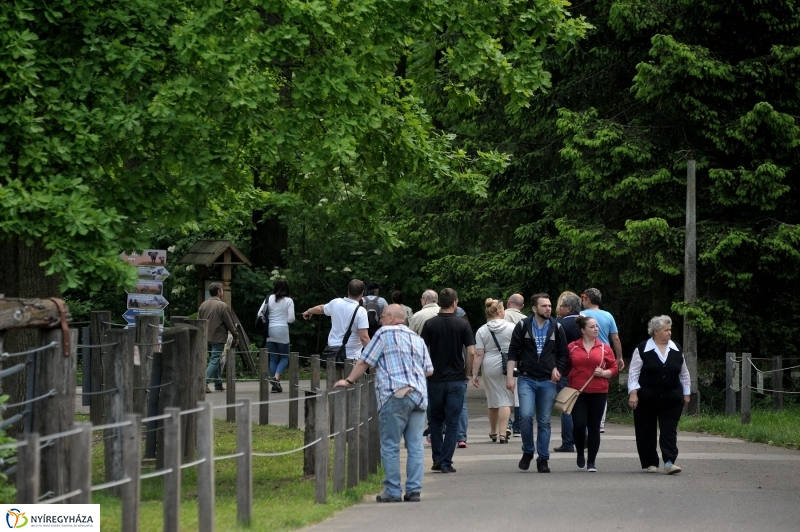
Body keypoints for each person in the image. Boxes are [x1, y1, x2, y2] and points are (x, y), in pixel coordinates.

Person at [334, 304, 434, 502]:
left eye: (381, 317)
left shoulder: (383, 333)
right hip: (419, 396)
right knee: (415, 445)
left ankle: (393, 491)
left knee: (390, 444)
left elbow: (364, 361)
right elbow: (429, 370)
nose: (379, 321)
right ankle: (414, 490)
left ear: (390, 317)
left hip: (394, 394)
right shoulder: (416, 338)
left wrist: (349, 380)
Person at [506, 293, 568, 473]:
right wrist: (510, 377)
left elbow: (563, 354)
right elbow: (512, 352)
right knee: (525, 416)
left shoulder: (556, 327)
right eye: (544, 306)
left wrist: (558, 369)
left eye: (549, 305)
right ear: (534, 308)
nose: (548, 308)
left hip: (548, 380)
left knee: (544, 421)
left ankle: (543, 459)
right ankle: (528, 451)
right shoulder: (523, 326)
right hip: (527, 378)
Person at [420, 288, 475, 474]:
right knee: (452, 422)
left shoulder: (430, 324)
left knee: (435, 421)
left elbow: (422, 349)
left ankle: (437, 458)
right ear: (454, 303)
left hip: (435, 378)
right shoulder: (462, 324)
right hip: (456, 378)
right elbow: (471, 351)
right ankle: (446, 461)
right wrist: (467, 372)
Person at [628, 315, 690, 474]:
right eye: (666, 330)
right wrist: (633, 393)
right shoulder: (642, 348)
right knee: (645, 430)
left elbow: (684, 374)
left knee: (669, 430)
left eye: (670, 329)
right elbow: (633, 373)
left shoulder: (676, 348)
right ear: (656, 332)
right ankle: (650, 462)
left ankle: (669, 462)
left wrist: (686, 393)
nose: (670, 333)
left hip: (672, 397)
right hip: (646, 397)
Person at [567, 315, 618, 472]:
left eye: (596, 326)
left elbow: (614, 368)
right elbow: (565, 366)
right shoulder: (572, 347)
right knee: (579, 425)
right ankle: (580, 453)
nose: (596, 329)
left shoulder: (604, 348)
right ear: (583, 330)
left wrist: (604, 373)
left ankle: (591, 462)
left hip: (599, 391)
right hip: (578, 391)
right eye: (592, 327)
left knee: (594, 427)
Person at [302, 279, 370, 376]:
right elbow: (364, 337)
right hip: (351, 357)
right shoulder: (361, 311)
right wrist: (374, 356)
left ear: (348, 290)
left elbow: (321, 309)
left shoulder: (336, 302)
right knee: (350, 385)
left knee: (335, 385)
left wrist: (309, 311)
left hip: (332, 355)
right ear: (362, 293)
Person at [471, 299, 516, 443]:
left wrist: (474, 374)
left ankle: (493, 431)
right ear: (500, 311)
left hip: (489, 363)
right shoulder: (512, 327)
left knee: (492, 399)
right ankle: (503, 433)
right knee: (505, 399)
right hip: (508, 363)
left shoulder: (482, 330)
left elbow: (479, 354)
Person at [581, 287, 625, 432]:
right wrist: (619, 357)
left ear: (587, 299)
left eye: (583, 298)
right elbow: (615, 338)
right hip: (603, 355)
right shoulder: (608, 315)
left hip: (586, 353)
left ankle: (585, 419)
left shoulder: (581, 315)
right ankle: (600, 421)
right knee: (601, 386)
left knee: (584, 386)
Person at [553, 292, 581, 452]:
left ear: (569, 308)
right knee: (582, 405)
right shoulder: (586, 323)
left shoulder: (560, 325)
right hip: (583, 370)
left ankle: (568, 442)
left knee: (566, 405)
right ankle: (583, 437)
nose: (560, 309)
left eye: (562, 306)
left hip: (565, 369)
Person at [257, 279, 295, 393]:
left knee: (273, 358)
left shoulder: (268, 298)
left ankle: (275, 386)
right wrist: (284, 318)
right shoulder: (289, 300)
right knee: (284, 357)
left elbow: (260, 313)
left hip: (269, 330)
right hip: (282, 330)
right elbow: (291, 319)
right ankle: (276, 378)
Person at [199, 283, 239, 392]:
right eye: (222, 290)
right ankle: (203, 382)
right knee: (215, 360)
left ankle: (218, 384)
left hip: (205, 336)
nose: (223, 292)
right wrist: (235, 335)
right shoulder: (222, 306)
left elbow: (199, 321)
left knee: (214, 360)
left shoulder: (203, 305)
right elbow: (230, 324)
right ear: (218, 292)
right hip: (218, 337)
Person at [504, 293, 526, 436]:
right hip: (520, 358)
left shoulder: (501, 316)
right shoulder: (525, 319)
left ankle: (507, 423)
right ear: (522, 306)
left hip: (503, 358)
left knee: (504, 393)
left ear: (508, 303)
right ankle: (518, 426)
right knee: (518, 394)